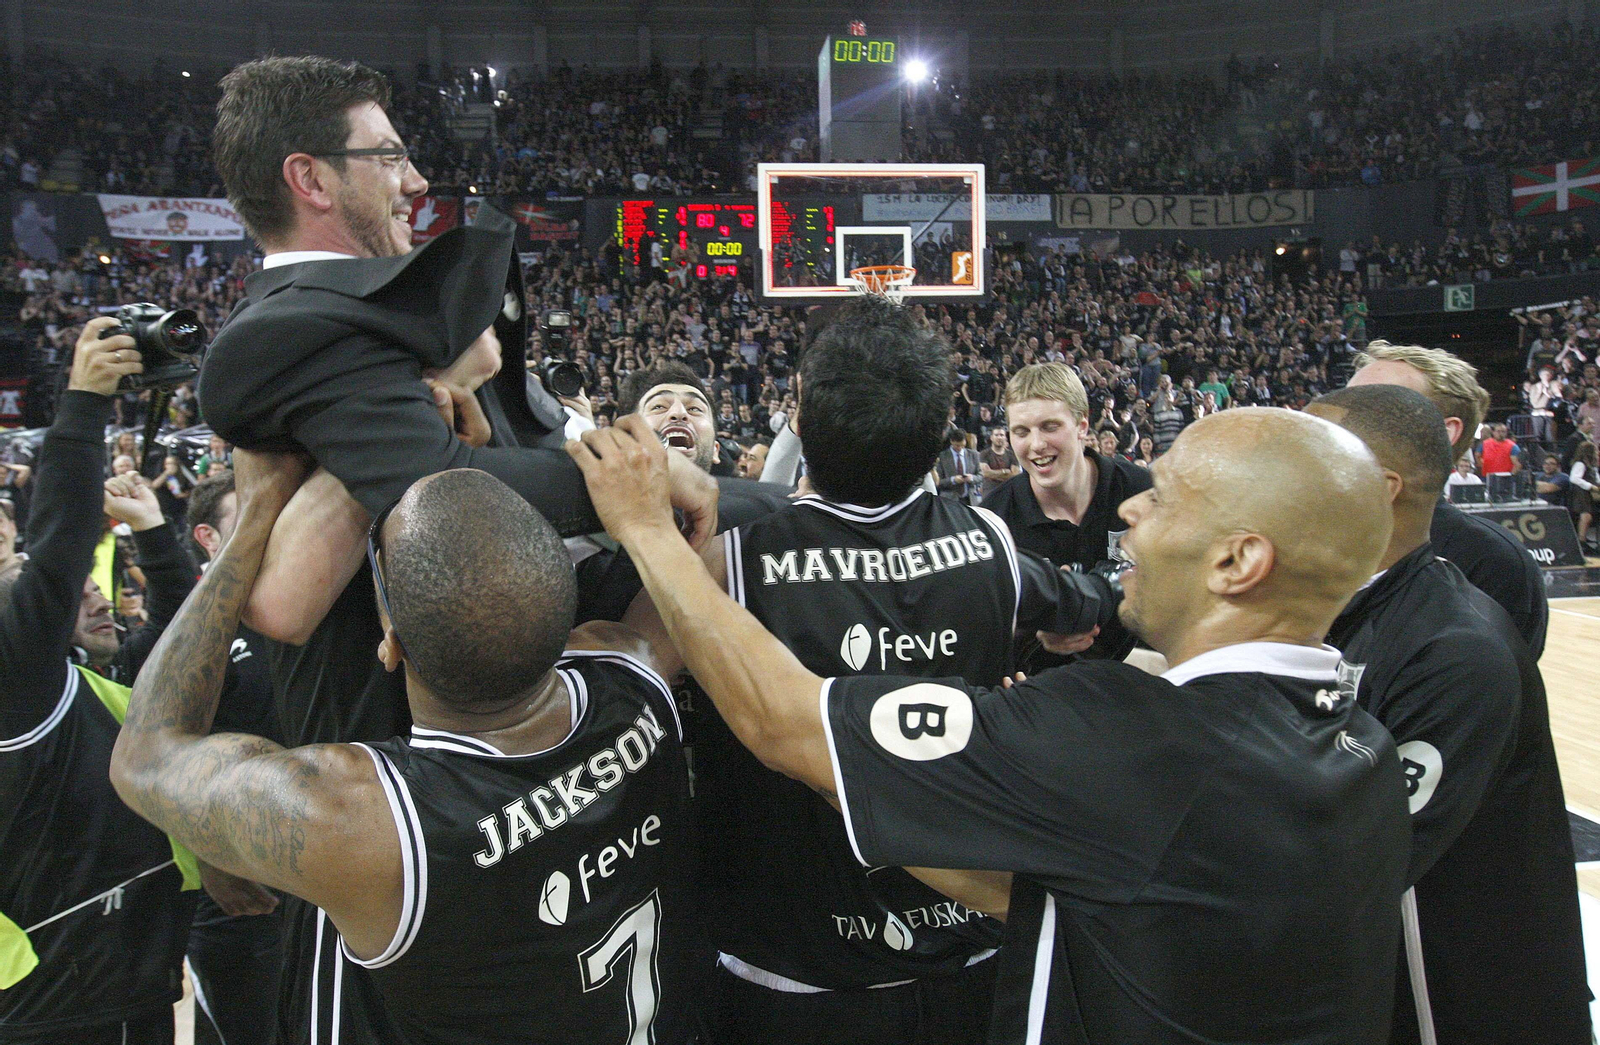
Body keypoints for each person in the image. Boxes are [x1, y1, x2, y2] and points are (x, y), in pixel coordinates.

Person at [569, 406, 1412, 1044]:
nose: (1130, 512)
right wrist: (885, 793)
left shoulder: (1138, 734)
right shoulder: (1361, 748)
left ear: (1237, 561)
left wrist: (647, 528)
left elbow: (783, 721)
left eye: (1163, 496)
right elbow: (1091, 896)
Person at [622, 298, 1123, 1045]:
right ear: (940, 434)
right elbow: (1088, 612)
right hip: (970, 951)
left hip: (796, 969)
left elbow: (620, 671)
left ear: (800, 413)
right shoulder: (987, 541)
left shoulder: (733, 562)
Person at [111, 463, 701, 1045]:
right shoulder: (637, 665)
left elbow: (144, 754)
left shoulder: (357, 822)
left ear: (389, 640)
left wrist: (253, 520)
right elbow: (689, 567)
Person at [1309, 386, 1590, 1045]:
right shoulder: (1351, 613)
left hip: (1460, 1004)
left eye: (1306, 458)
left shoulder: (1456, 651)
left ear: (1375, 487)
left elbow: (1355, 858)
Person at [0, 319, 202, 1044]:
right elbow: (55, 551)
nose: (91, 589)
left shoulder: (94, 683)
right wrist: (82, 402)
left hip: (130, 981)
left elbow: (186, 629)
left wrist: (152, 530)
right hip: (55, 1002)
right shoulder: (16, 683)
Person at [1348, 342, 1549, 655]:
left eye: (1373, 407)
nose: (1343, 419)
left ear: (1442, 432)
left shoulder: (1490, 561)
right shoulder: (1305, 537)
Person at [181, 471, 286, 1045]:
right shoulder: (189, 633)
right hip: (244, 893)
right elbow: (166, 756)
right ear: (208, 538)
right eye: (247, 514)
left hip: (329, 869)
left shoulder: (313, 603)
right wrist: (210, 858)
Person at [980, 363, 1151, 665]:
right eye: (1021, 431)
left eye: (1049, 427)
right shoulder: (992, 523)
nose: (1036, 445)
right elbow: (986, 638)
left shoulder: (1142, 491)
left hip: (1142, 681)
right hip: (1042, 695)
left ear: (1082, 427)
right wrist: (1034, 634)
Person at [934, 428, 980, 505]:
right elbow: (938, 482)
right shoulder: (942, 457)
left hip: (970, 499)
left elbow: (980, 476)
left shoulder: (974, 455)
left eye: (962, 445)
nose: (960, 448)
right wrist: (953, 480)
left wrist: (971, 478)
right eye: (957, 445)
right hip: (949, 500)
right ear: (951, 441)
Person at [977, 426, 1018, 502]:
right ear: (991, 437)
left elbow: (1015, 475)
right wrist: (1004, 472)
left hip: (1007, 492)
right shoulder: (984, 454)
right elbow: (986, 473)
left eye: (1002, 435)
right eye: (996, 435)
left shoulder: (1012, 455)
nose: (999, 437)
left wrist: (993, 474)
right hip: (989, 492)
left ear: (1005, 438)